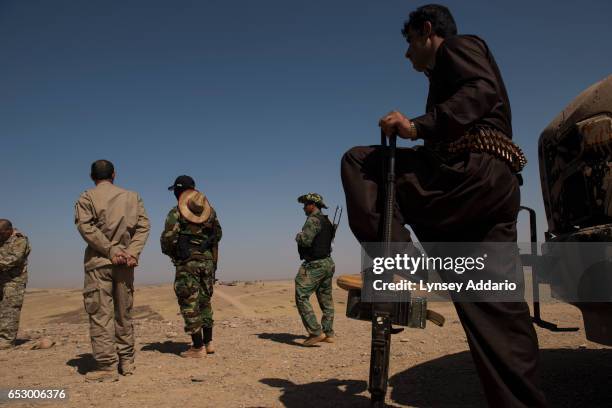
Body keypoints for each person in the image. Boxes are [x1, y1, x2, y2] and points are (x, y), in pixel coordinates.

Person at [341, 4, 546, 407]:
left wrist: (418, 126)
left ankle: (402, 268)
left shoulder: (458, 47)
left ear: (426, 30)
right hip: (493, 193)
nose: (406, 54)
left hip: (467, 178)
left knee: (360, 161)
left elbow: (481, 90)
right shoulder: (446, 70)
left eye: (409, 42)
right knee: (494, 312)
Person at [74, 160, 150, 381]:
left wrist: (110, 250)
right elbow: (144, 225)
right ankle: (127, 361)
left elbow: (85, 228)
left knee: (101, 314)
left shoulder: (87, 197)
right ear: (114, 174)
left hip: (99, 263)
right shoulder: (132, 197)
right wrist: (132, 252)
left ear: (91, 176)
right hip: (125, 264)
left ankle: (107, 367)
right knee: (123, 312)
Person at [161, 176, 221, 358]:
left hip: (188, 263)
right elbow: (218, 234)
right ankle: (208, 342)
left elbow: (168, 239)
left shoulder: (176, 212)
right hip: (208, 262)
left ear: (179, 192)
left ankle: (197, 347)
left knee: (189, 302)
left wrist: (176, 255)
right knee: (204, 300)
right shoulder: (210, 212)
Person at [295, 193, 336, 346]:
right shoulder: (327, 220)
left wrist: (298, 236)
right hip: (327, 262)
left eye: (305, 204)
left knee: (301, 295)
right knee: (326, 299)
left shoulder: (312, 220)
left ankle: (315, 332)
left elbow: (305, 241)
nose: (304, 208)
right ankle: (329, 333)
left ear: (313, 204)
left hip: (315, 264)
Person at [0, 219, 31, 350]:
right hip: (1, 278)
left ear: (8, 230)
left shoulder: (20, 240)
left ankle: (6, 341)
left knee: (10, 309)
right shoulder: (2, 238)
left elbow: (14, 259)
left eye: (1, 233)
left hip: (14, 281)